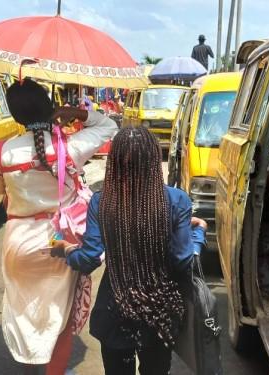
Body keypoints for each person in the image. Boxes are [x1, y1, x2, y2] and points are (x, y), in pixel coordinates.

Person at [0, 79, 117, 375]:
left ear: (14, 114)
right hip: (56, 238)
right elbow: (109, 126)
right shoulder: (69, 148)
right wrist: (77, 112)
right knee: (59, 312)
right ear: (49, 107)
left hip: (18, 239)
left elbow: (0, 191)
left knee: (22, 312)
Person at [61, 126, 208, 375]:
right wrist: (198, 232)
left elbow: (88, 259)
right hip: (160, 311)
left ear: (114, 161)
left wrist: (66, 251)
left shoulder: (102, 200)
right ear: (153, 160)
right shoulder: (175, 200)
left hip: (115, 308)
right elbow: (183, 261)